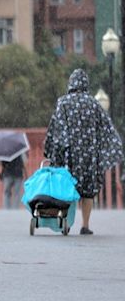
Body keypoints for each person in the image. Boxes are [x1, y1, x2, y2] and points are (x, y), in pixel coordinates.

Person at [44, 69, 123, 235]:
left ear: (71, 83)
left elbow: (55, 128)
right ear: (86, 83)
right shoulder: (93, 103)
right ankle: (85, 225)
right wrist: (112, 148)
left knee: (68, 188)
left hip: (69, 157)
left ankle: (66, 222)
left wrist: (50, 150)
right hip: (89, 157)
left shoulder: (63, 103)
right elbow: (106, 128)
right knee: (88, 191)